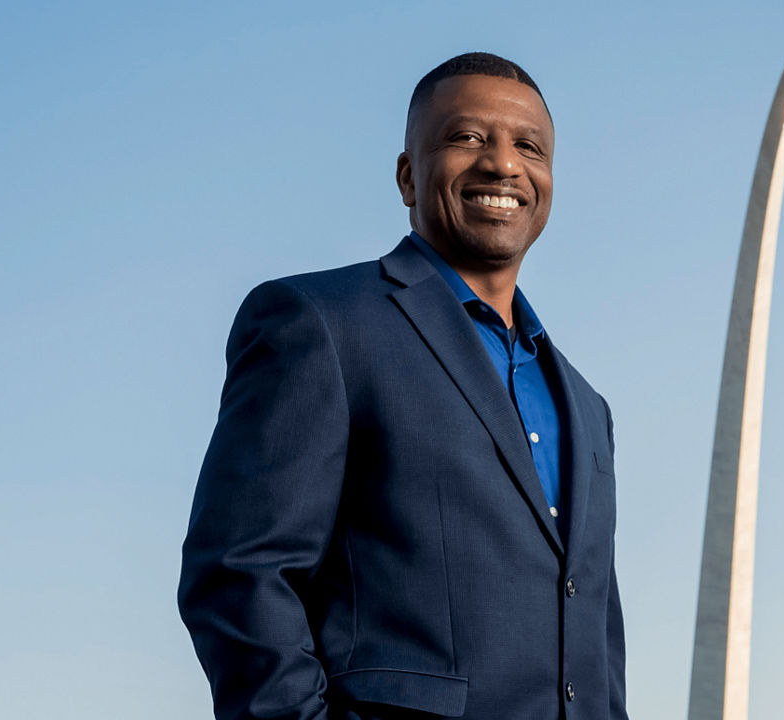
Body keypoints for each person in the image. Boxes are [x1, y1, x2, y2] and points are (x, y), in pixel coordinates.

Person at [177, 52, 628, 720]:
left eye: (528, 146)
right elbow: (241, 571)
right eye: (467, 137)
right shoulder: (322, 324)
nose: (503, 164)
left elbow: (595, 638)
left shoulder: (589, 409)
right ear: (408, 175)